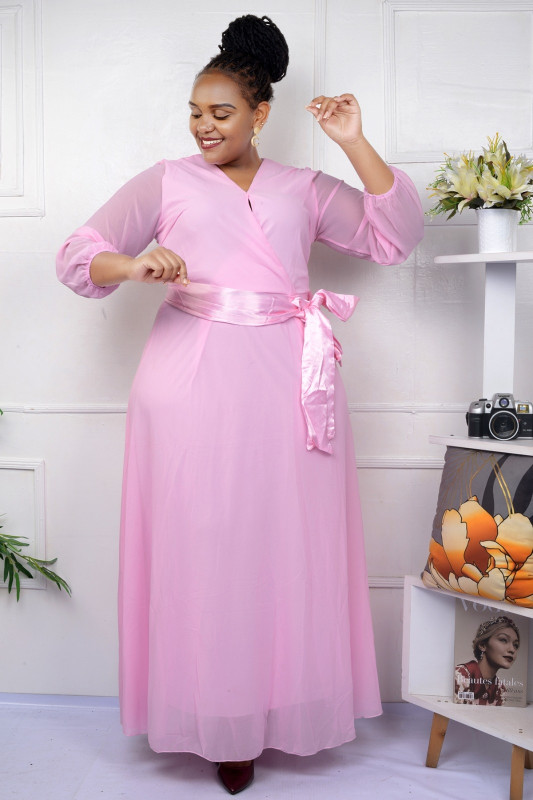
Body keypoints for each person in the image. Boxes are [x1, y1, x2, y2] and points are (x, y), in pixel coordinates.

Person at [56, 14, 423, 796]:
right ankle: (218, 719)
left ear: (261, 114)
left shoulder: (304, 188)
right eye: (195, 111)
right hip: (190, 382)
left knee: (283, 544)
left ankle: (279, 705)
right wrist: (134, 264)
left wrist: (354, 141)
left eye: (221, 112)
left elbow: (394, 238)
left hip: (292, 385)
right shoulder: (165, 181)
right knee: (207, 547)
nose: (203, 126)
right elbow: (79, 256)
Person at [454, 615, 521, 706]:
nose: (512, 650)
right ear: (483, 645)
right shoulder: (460, 676)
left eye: (515, 645)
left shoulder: (500, 689)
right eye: (503, 640)